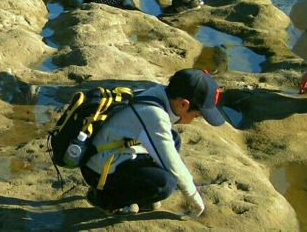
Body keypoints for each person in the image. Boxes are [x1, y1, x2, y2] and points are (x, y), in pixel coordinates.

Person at [83, 68, 222, 217]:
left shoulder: (157, 93)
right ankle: (105, 198)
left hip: (113, 149)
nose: (194, 120)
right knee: (165, 184)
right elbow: (171, 163)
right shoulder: (154, 115)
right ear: (183, 104)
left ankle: (136, 194)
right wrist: (193, 195)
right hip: (97, 168)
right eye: (196, 116)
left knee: (174, 139)